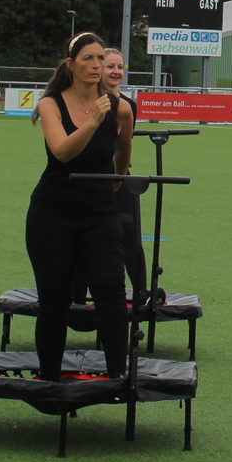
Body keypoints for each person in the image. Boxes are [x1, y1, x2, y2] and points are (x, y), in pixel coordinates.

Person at [27, 33, 134, 382]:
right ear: (71, 65)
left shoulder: (119, 108)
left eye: (100, 59)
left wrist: (116, 181)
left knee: (111, 291)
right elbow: (62, 152)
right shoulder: (50, 104)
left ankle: (119, 375)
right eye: (88, 59)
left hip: (99, 213)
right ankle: (49, 378)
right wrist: (92, 121)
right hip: (52, 213)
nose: (96, 65)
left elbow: (123, 151)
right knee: (54, 300)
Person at [100, 50, 146, 301]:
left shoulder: (129, 105)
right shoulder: (88, 101)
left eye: (120, 66)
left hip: (120, 175)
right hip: (93, 176)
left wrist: (119, 177)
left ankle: (141, 290)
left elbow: (124, 146)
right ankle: (76, 293)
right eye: (110, 66)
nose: (116, 71)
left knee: (129, 233)